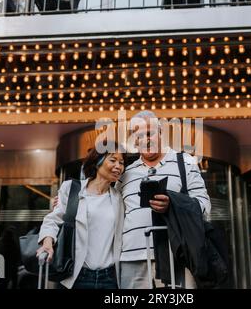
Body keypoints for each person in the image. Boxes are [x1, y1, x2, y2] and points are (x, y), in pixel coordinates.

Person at [117, 110, 211, 289]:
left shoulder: (186, 162)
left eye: (149, 133)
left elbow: (204, 206)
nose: (145, 139)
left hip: (177, 256)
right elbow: (109, 206)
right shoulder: (125, 173)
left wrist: (172, 204)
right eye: (138, 135)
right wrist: (69, 199)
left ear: (160, 132)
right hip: (132, 259)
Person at [37, 140, 126, 289]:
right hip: (76, 276)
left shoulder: (120, 197)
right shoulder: (72, 189)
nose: (118, 166)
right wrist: (47, 243)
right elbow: (53, 219)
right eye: (113, 160)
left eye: (122, 163)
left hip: (109, 278)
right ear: (98, 161)